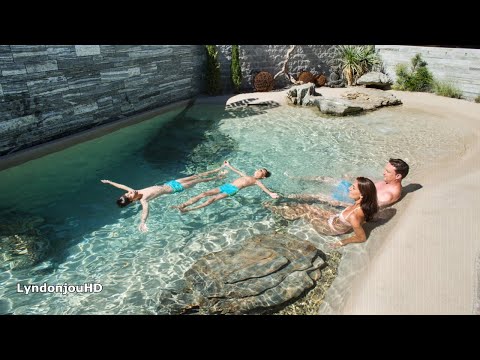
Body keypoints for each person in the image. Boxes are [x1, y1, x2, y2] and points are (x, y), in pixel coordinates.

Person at [101, 167, 228, 232]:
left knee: (194, 176)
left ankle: (216, 170)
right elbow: (145, 211)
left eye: (127, 192)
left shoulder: (135, 192)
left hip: (170, 183)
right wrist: (143, 222)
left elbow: (121, 186)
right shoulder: (143, 199)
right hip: (175, 189)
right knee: (198, 180)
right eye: (129, 194)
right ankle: (218, 177)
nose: (130, 192)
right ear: (132, 200)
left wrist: (109, 182)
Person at [265, 177, 378, 248]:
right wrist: (340, 204)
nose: (349, 189)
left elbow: (361, 237)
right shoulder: (363, 204)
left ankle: (274, 208)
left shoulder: (354, 216)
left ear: (362, 195)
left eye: (353, 188)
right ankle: (285, 203)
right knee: (309, 207)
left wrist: (342, 242)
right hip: (335, 218)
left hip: (328, 228)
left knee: (304, 211)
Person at [288, 158, 409, 208]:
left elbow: (365, 208)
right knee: (325, 178)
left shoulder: (387, 195)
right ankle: (298, 178)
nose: (383, 173)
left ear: (398, 176)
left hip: (349, 199)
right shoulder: (388, 181)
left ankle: (289, 197)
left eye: (387, 172)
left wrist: (339, 203)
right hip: (353, 190)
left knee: (317, 196)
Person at [175, 160, 279, 213]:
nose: (258, 171)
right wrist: (228, 165)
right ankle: (183, 205)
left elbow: (264, 188)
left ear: (263, 177)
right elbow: (237, 171)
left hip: (233, 189)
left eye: (262, 172)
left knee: (212, 199)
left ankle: (190, 209)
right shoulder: (247, 176)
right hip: (227, 185)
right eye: (260, 169)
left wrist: (271, 194)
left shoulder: (257, 182)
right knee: (204, 193)